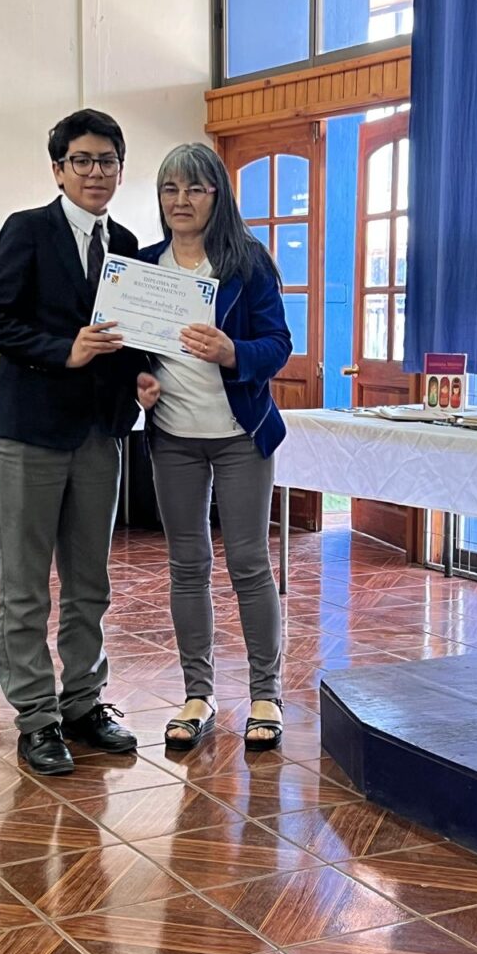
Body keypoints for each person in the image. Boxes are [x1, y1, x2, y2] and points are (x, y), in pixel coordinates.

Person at [0, 109, 160, 776]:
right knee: (25, 585)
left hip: (101, 434)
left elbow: (128, 338)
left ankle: (83, 702)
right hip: (31, 432)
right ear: (58, 169)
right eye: (81, 160)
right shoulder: (27, 230)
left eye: (107, 161)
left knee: (89, 583)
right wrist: (62, 349)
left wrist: (140, 377)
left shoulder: (127, 244)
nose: (95, 172)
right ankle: (36, 716)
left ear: (120, 171)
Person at [138, 142, 292, 751]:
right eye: (170, 189)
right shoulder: (144, 267)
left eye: (194, 189)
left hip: (239, 437)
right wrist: (138, 382)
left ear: (216, 196)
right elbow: (129, 351)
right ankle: (198, 694)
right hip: (173, 437)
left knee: (249, 564)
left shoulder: (247, 263)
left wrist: (233, 352)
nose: (181, 200)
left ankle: (266, 694)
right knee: (187, 565)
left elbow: (277, 344)